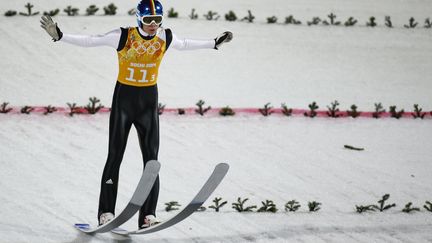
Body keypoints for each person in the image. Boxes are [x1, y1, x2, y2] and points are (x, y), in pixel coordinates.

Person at [40, 0, 233, 229]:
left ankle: (148, 216)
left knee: (152, 161)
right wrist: (60, 36)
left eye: (157, 20)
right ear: (139, 18)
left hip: (148, 102)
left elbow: (186, 44)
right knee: (115, 157)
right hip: (124, 101)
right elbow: (91, 40)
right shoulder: (123, 36)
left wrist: (214, 43)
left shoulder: (165, 37)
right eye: (148, 19)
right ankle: (106, 213)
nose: (153, 24)